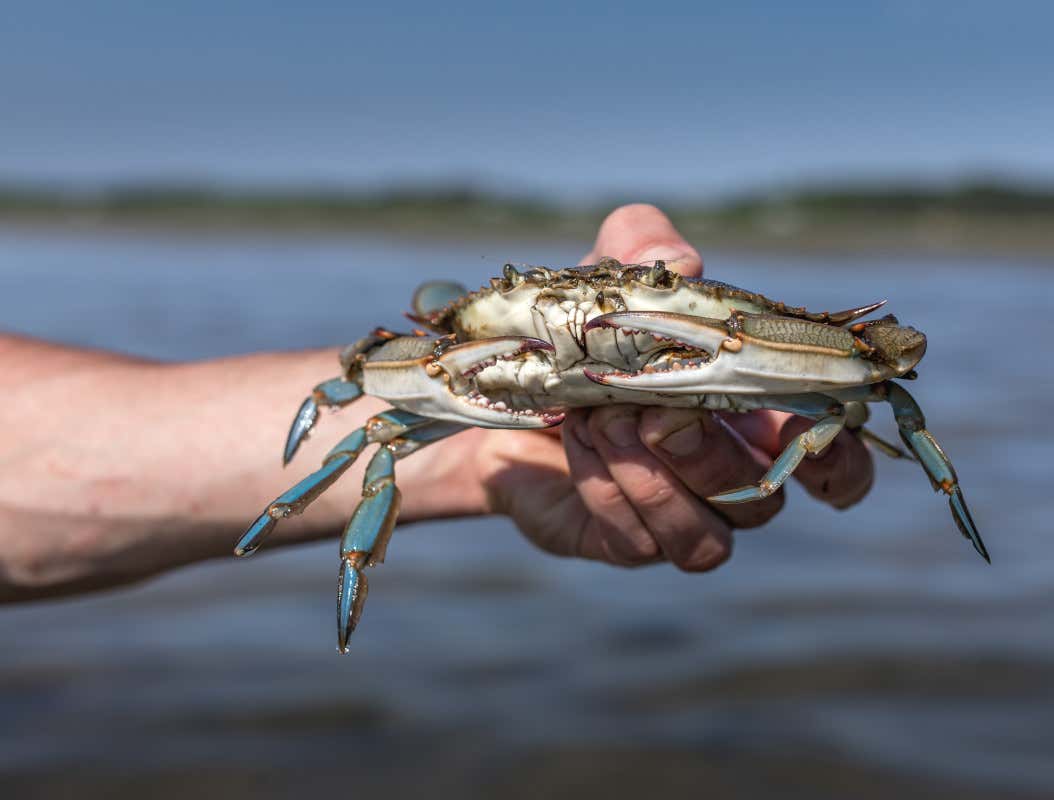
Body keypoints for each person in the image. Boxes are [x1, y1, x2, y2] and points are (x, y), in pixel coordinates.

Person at [0, 204, 873, 601]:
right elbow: (366, 381)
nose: (578, 323)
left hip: (703, 377)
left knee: (853, 394)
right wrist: (459, 414)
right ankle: (348, 561)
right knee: (377, 438)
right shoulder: (443, 341)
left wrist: (478, 456)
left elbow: (882, 363)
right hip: (465, 388)